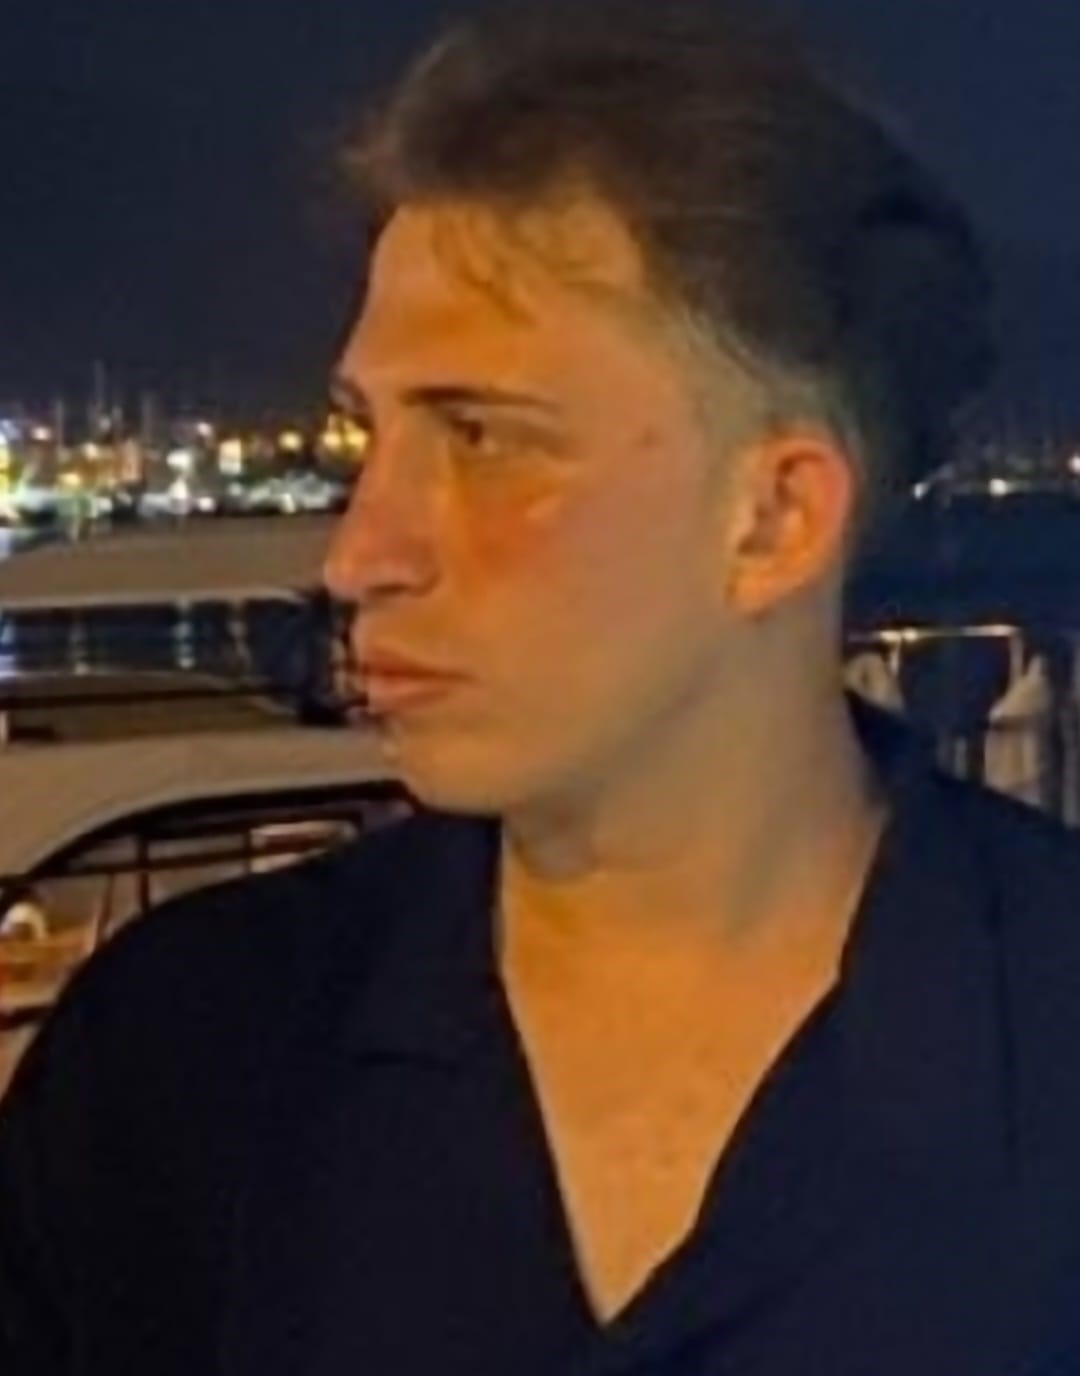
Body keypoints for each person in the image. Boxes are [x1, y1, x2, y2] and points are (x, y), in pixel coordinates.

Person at [3, 3, 1080, 1372]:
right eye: (369, 438)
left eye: (481, 436)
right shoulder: (180, 1058)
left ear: (774, 519)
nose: (357, 554)